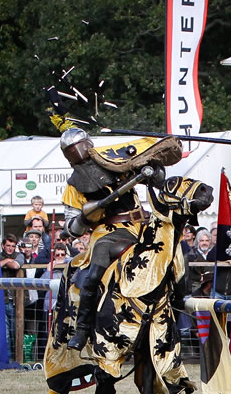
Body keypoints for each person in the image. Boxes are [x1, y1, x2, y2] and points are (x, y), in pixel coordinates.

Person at [57, 127, 178, 350]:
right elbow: (72, 226)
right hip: (109, 230)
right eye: (74, 150)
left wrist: (150, 169)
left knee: (174, 247)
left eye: (81, 146)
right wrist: (85, 216)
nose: (80, 152)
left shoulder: (113, 161)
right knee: (96, 269)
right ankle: (83, 328)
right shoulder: (74, 185)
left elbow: (158, 180)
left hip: (142, 223)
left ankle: (180, 303)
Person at [0, 234, 24, 361]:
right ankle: (8, 359)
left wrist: (6, 262)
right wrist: (7, 261)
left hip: (16, 301)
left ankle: (17, 359)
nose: (10, 249)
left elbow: (16, 265)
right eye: (8, 245)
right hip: (3, 300)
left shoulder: (19, 255)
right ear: (3, 245)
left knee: (17, 332)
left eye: (13, 246)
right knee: (6, 333)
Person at [184, 229, 213, 293]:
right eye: (202, 241)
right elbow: (187, 275)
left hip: (211, 288)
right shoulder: (190, 255)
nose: (204, 243)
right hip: (195, 288)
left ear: (210, 242)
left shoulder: (213, 255)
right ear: (198, 242)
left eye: (207, 241)